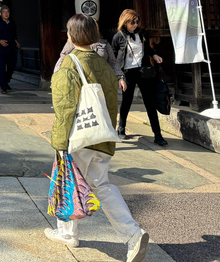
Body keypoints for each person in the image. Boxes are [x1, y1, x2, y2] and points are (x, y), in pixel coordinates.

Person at [46, 14, 149, 262]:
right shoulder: (105, 65)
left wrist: (59, 144)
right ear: (94, 36)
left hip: (76, 137)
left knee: (67, 182)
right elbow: (112, 103)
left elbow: (64, 107)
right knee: (102, 185)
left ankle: (68, 233)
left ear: (71, 36)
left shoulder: (69, 64)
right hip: (102, 134)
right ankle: (133, 234)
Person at [111, 9, 167, 146]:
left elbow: (147, 48)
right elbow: (113, 56)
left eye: (137, 22)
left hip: (143, 71)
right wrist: (119, 76)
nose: (135, 25)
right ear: (125, 23)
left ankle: (158, 134)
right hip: (128, 73)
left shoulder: (142, 34)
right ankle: (121, 128)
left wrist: (154, 55)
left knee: (150, 103)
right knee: (127, 101)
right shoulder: (118, 37)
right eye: (132, 22)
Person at [53, 19, 126, 90]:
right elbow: (63, 57)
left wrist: (120, 77)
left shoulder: (104, 43)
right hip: (81, 84)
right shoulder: (73, 43)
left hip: (102, 81)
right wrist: (57, 78)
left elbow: (113, 62)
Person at [0, 5, 19, 93]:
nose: (6, 14)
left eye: (7, 12)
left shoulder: (12, 23)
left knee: (11, 66)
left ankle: (6, 80)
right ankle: (4, 87)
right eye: (4, 12)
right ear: (1, 13)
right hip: (0, 49)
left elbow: (14, 35)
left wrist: (16, 41)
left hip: (11, 48)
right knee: (2, 67)